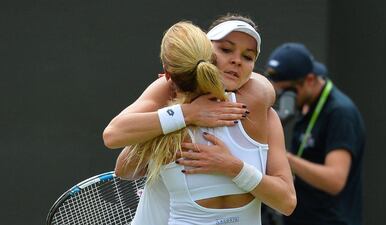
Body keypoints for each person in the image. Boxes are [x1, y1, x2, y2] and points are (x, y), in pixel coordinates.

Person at [103, 15, 296, 225]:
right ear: (204, 50)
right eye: (226, 49)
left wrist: (232, 167)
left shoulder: (261, 106)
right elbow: (121, 158)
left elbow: (287, 202)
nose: (237, 60)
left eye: (248, 57)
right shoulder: (168, 91)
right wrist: (188, 113)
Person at [266, 42, 366, 225]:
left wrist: (283, 159)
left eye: (288, 92)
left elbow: (335, 180)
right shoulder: (307, 107)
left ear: (310, 80)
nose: (284, 98)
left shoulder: (340, 113)